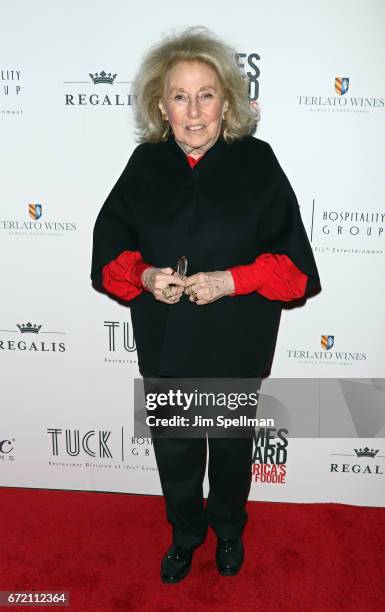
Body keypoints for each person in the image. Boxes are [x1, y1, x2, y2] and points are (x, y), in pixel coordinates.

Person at [90, 26, 321, 583]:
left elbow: (294, 272)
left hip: (234, 342)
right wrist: (145, 276)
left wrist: (232, 280)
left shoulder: (258, 161)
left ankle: (229, 531)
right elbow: (109, 254)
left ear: (227, 102)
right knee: (177, 455)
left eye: (206, 94)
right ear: (161, 106)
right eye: (179, 96)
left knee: (233, 454)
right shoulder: (144, 164)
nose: (194, 110)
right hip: (167, 343)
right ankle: (186, 534)